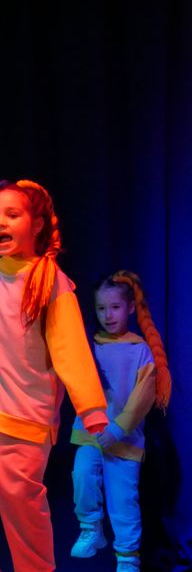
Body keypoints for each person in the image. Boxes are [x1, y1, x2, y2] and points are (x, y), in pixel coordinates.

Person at [0, 179, 108, 572]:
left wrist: (92, 408)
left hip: (26, 418)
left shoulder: (48, 280)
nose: (2, 222)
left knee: (21, 503)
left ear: (37, 224)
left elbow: (70, 347)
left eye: (12, 214)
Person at [69, 271, 173, 572]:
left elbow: (143, 396)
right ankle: (91, 527)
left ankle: (127, 558)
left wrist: (117, 429)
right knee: (82, 475)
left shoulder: (139, 350)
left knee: (123, 500)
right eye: (101, 308)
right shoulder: (90, 345)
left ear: (129, 308)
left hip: (124, 440)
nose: (108, 315)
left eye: (114, 307)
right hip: (90, 433)